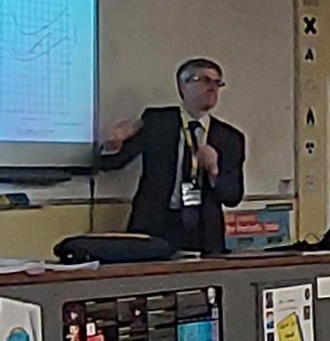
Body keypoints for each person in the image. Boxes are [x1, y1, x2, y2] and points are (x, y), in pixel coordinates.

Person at [96, 58, 245, 254]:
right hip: (155, 226)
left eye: (217, 83)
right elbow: (113, 163)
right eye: (204, 80)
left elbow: (233, 197)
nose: (212, 88)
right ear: (182, 86)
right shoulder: (157, 122)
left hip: (204, 233)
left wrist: (214, 171)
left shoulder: (230, 137)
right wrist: (113, 144)